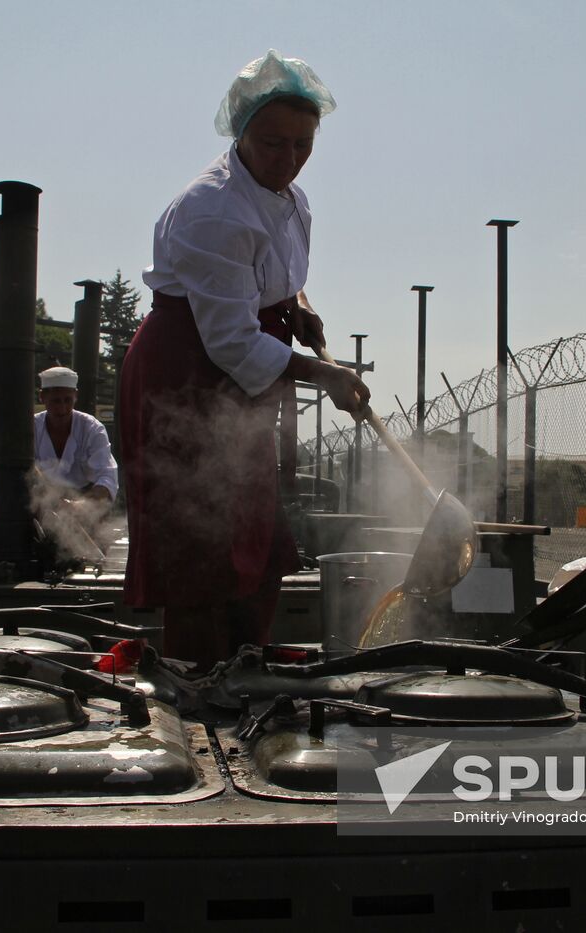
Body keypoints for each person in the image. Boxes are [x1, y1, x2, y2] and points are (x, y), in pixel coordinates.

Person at [119, 50, 369, 670]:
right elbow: (229, 339)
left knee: (252, 539)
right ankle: (201, 688)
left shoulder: (289, 198)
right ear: (241, 133)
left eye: (302, 145)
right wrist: (326, 375)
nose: (288, 160)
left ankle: (243, 667)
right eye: (272, 143)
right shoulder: (213, 210)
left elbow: (270, 278)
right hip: (185, 379)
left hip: (238, 389)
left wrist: (294, 309)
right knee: (199, 547)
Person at [32, 366, 118, 550]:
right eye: (55, 401)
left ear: (76, 396)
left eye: (67, 400)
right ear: (42, 397)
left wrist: (81, 505)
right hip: (40, 510)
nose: (62, 408)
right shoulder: (31, 428)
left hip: (85, 509)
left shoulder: (92, 428)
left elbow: (107, 476)